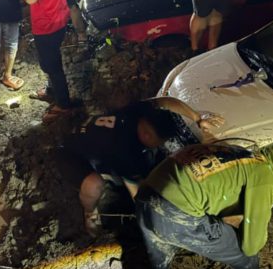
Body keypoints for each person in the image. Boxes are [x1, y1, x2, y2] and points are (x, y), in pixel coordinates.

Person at [134, 139, 273, 269]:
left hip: (147, 197)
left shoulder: (243, 156)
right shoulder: (265, 175)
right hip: (175, 212)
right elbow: (252, 245)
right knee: (247, 258)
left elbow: (219, 189)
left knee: (158, 268)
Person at [56, 96, 211, 236]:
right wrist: (157, 218)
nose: (161, 144)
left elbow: (167, 101)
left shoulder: (139, 111)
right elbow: (138, 192)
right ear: (147, 135)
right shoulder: (125, 150)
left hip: (90, 138)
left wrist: (197, 118)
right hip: (70, 155)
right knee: (94, 185)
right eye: (160, 141)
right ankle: (89, 213)